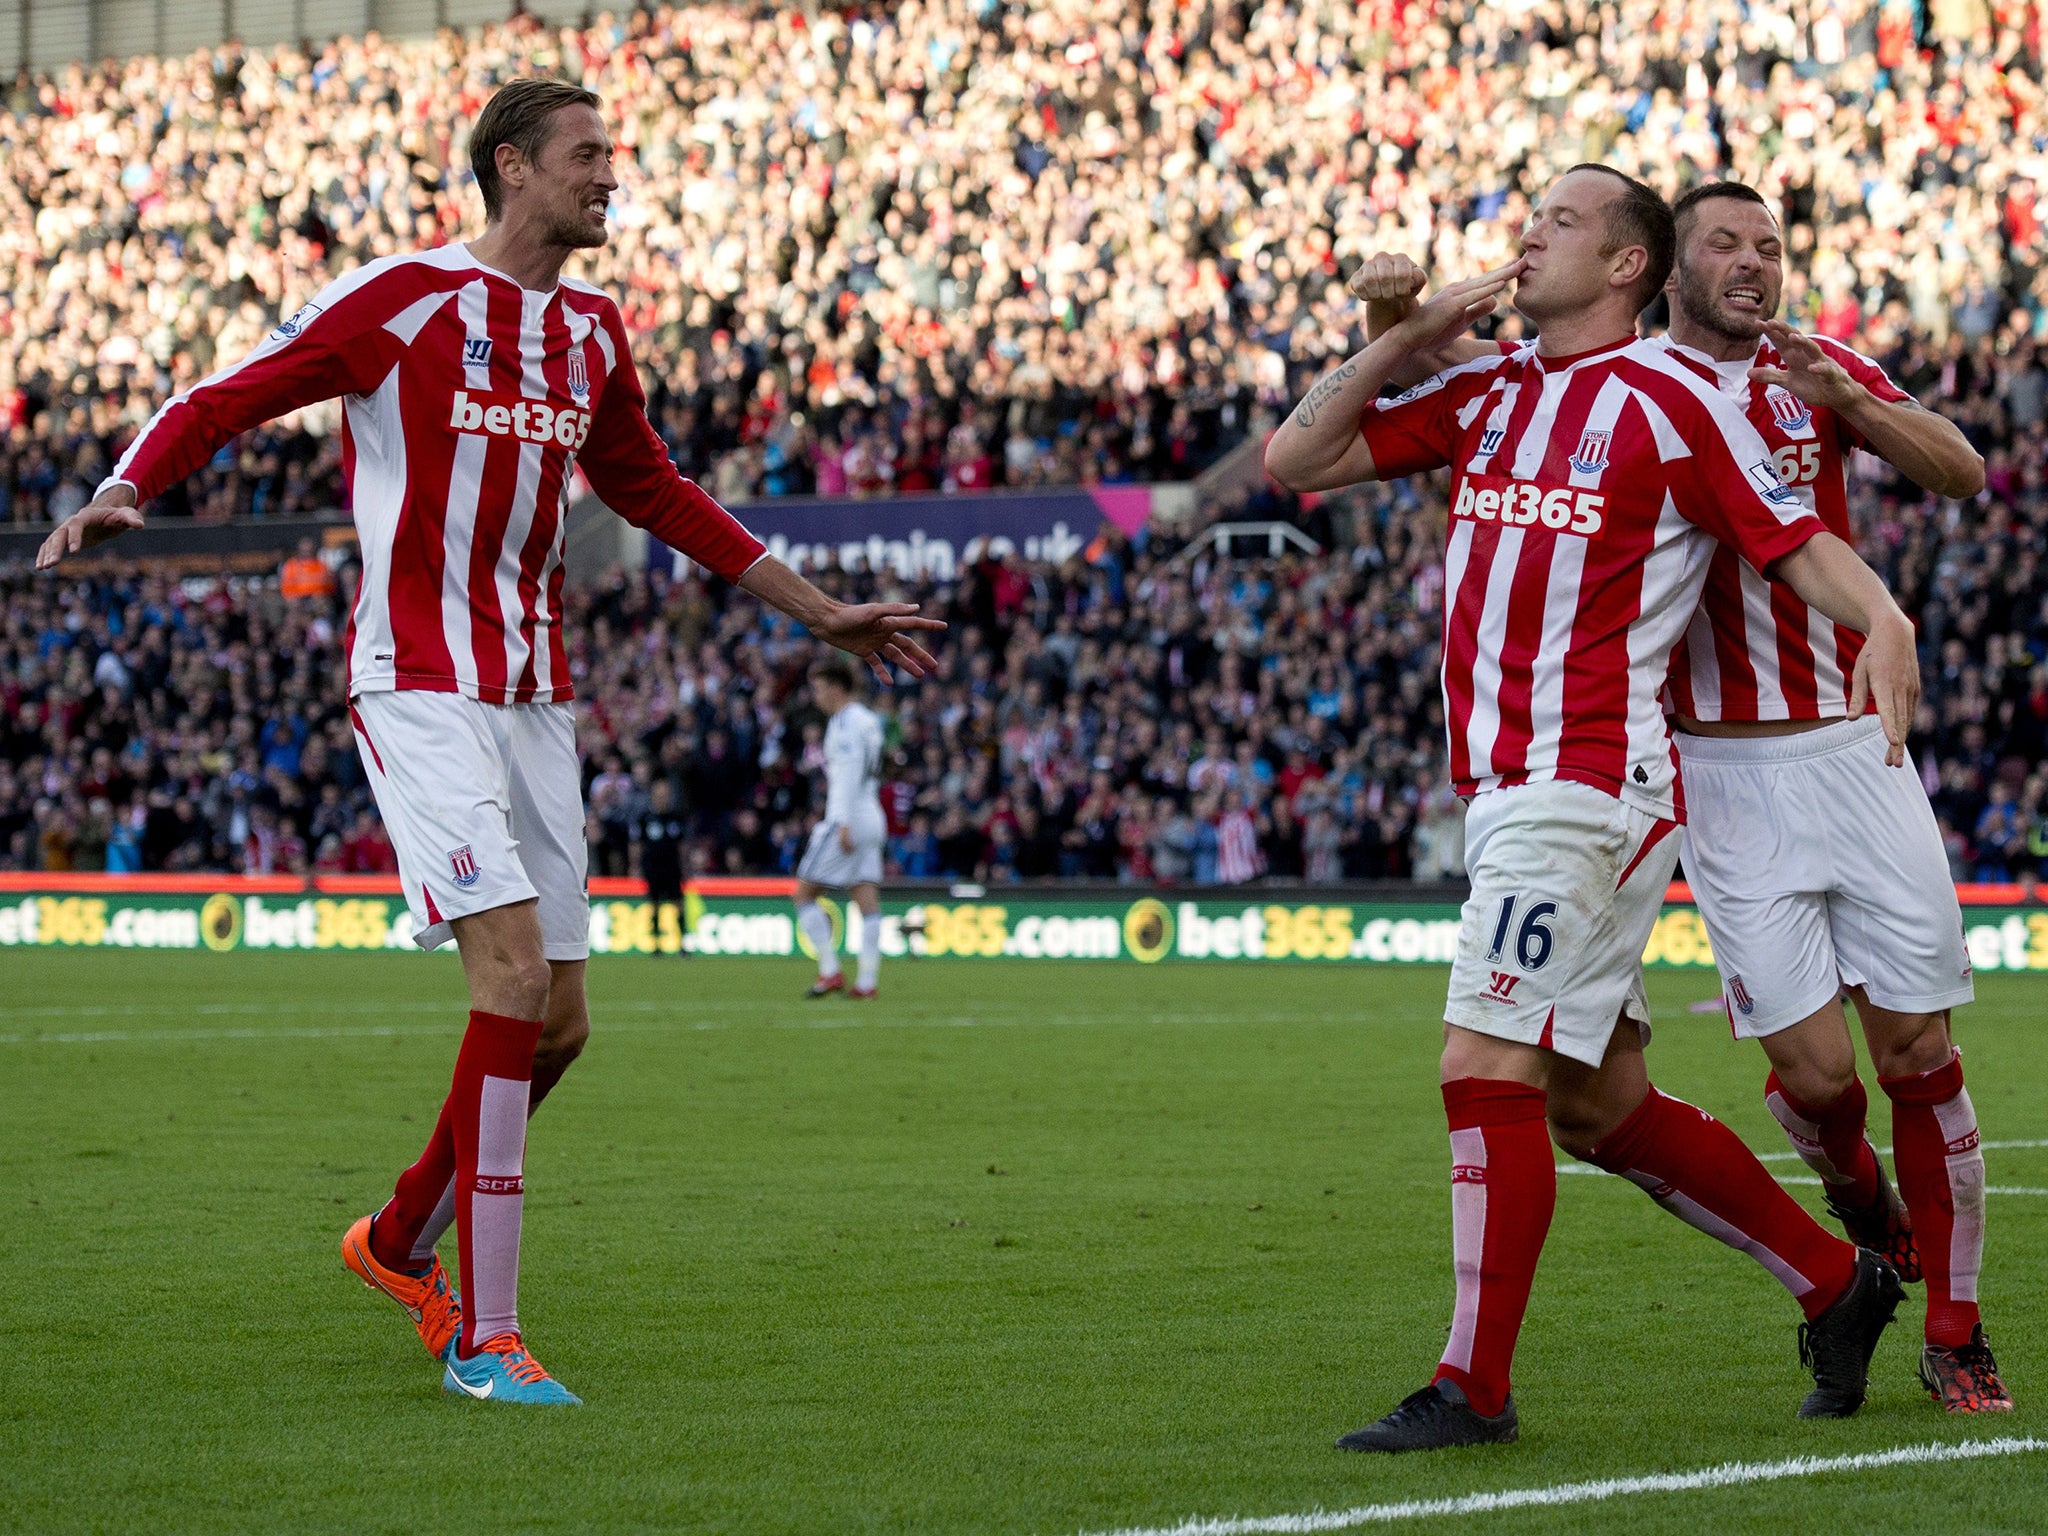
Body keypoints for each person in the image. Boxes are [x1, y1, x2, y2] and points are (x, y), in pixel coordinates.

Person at [35, 77, 942, 1406]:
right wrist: (125, 488)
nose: (608, 173)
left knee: (562, 1023)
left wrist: (820, 613)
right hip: (418, 680)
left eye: (611, 154)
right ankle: (486, 1336)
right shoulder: (400, 301)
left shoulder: (590, 332)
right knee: (509, 978)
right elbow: (228, 393)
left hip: (533, 697)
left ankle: (398, 1238)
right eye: (586, 154)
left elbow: (658, 492)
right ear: (510, 166)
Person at [1266, 165, 1920, 1452]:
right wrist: (1400, 336)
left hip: (1589, 781)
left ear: (1627, 265)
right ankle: (1836, 1282)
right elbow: (1298, 457)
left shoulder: (1674, 403)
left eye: (1557, 221)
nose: (1526, 235)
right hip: (1507, 788)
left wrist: (1883, 616)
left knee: (1480, 1064)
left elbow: (1792, 537)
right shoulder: (1491, 388)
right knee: (1593, 1103)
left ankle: (1474, 1385)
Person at [1654, 181, 2007, 1412]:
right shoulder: (1627, 388)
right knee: (1812, 1081)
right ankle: (1863, 1203)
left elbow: (1959, 470)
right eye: (1724, 245)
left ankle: (1953, 1334)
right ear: (1667, 267)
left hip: (1856, 750)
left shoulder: (1812, 369)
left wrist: (1848, 399)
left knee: (1917, 1047)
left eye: (1769, 246)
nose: (1752, 264)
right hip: (1722, 774)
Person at [793, 654, 889, 1000]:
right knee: (866, 900)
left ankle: (830, 971)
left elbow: (849, 772)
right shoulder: (868, 720)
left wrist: (844, 822)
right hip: (873, 814)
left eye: (818, 688)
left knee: (802, 894)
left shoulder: (846, 723)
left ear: (836, 687)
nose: (815, 695)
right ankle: (866, 982)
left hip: (847, 817)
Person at [637, 779, 688, 957]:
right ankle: (656, 945)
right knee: (655, 905)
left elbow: (682, 845)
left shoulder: (675, 817)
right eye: (659, 794)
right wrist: (635, 866)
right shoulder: (645, 818)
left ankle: (682, 945)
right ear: (653, 796)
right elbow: (637, 845)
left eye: (665, 795)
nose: (662, 798)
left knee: (679, 905)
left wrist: (685, 867)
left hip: (672, 867)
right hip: (653, 867)